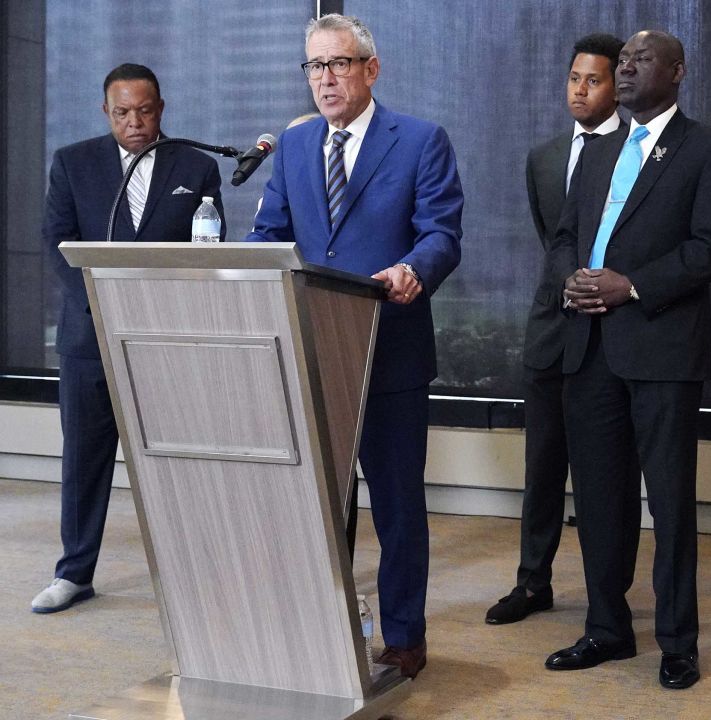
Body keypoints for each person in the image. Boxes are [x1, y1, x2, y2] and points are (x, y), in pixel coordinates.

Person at [246, 13, 464, 679]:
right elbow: (270, 234)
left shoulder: (421, 141)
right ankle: (322, 625)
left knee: (397, 508)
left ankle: (402, 638)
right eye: (315, 66)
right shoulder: (295, 145)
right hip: (310, 351)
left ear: (371, 69)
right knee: (317, 504)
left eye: (339, 63)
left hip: (389, 348)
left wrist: (412, 270)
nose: (325, 78)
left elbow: (442, 233)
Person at [542, 30, 711, 690]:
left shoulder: (708, 150)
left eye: (640, 61)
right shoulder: (598, 153)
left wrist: (630, 284)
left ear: (678, 72)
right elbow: (566, 232)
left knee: (671, 504)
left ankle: (678, 641)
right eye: (621, 61)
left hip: (660, 348)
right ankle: (607, 627)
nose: (625, 69)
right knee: (599, 499)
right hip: (590, 346)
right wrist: (574, 277)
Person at [33, 63, 224, 615]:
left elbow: (209, 250)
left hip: (169, 338)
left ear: (160, 109)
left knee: (177, 459)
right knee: (85, 458)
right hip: (90, 337)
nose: (134, 122)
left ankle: (190, 572)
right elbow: (56, 240)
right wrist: (100, 302)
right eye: (122, 113)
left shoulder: (197, 166)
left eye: (144, 111)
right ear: (106, 112)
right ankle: (73, 574)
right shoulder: (73, 162)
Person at [485, 33, 638, 626]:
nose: (580, 89)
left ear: (618, 87)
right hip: (552, 327)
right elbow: (551, 238)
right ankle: (532, 582)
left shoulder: (638, 148)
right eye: (574, 78)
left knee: (612, 470)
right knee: (542, 462)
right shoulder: (544, 157)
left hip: (612, 332)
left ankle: (612, 591)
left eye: (593, 79)